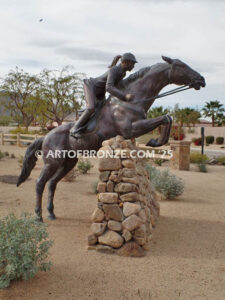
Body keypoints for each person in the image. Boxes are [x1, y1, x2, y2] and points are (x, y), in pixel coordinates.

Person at [70, 52, 138, 138]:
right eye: (132, 63)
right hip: (91, 87)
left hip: (100, 92)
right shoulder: (114, 70)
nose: (133, 66)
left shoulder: (122, 73)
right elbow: (109, 87)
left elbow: (117, 86)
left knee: (102, 109)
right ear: (125, 62)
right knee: (91, 108)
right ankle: (74, 129)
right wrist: (124, 96)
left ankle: (88, 126)